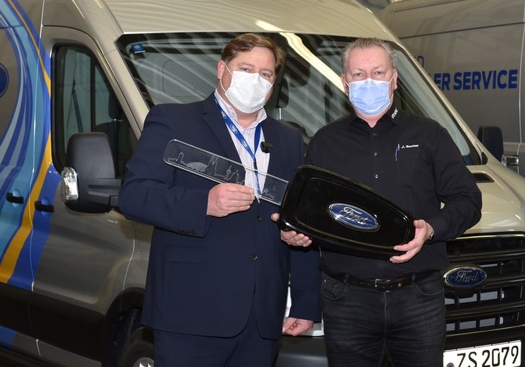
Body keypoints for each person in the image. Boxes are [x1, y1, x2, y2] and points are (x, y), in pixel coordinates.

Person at [119, 33, 321, 367]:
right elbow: (134, 195)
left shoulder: (288, 140)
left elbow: (300, 219)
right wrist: (204, 204)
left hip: (261, 317)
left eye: (265, 73)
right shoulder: (173, 121)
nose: (255, 79)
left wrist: (305, 300)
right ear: (221, 69)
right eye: (246, 68)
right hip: (191, 311)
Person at [280, 37, 483, 366]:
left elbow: (468, 201)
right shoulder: (324, 143)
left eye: (378, 72)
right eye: (359, 74)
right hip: (347, 299)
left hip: (418, 296)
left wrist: (431, 229)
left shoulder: (429, 135)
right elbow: (312, 217)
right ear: (345, 82)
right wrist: (297, 233)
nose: (369, 82)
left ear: (394, 78)